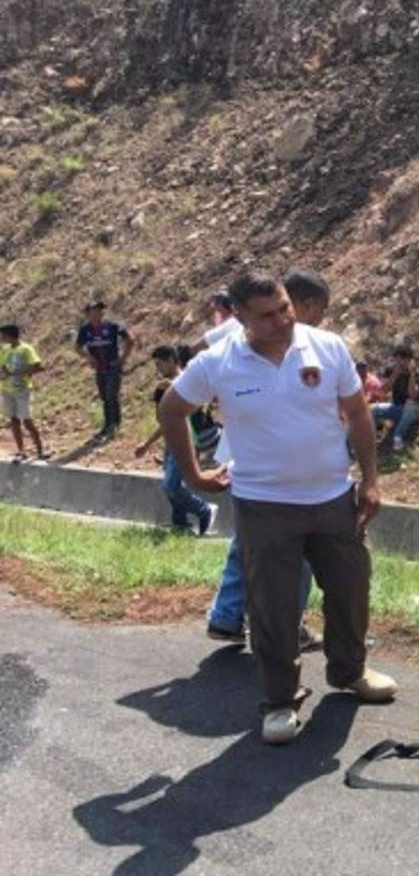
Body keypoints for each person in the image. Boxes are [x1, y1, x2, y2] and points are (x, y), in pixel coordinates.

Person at [159, 271, 396, 745]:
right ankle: (280, 701)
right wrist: (192, 474)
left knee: (350, 589)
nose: (282, 320)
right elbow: (171, 410)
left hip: (332, 498)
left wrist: (370, 481)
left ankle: (350, 672)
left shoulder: (326, 347)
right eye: (267, 315)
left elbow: (357, 412)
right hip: (264, 505)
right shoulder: (219, 362)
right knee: (273, 607)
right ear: (241, 317)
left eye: (285, 307)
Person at [206, 271, 330, 652]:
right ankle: (285, 626)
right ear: (306, 305)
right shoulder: (270, 340)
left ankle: (227, 616)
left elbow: (202, 345)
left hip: (246, 457)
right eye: (321, 311)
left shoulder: (245, 333)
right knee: (302, 546)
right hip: (271, 464)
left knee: (249, 541)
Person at [134, 346, 219, 535]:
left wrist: (172, 389)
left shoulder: (190, 382)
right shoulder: (162, 387)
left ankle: (204, 509)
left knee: (171, 486)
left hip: (189, 441)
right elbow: (164, 420)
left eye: (161, 364)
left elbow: (199, 408)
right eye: (156, 365)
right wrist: (147, 444)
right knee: (172, 486)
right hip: (172, 441)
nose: (159, 369)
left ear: (172, 360)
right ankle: (180, 523)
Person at [75, 300, 134, 440]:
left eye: (99, 311)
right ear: (88, 313)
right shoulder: (85, 330)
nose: (97, 314)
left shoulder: (113, 326)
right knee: (104, 397)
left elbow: (130, 340)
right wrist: (89, 358)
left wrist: (123, 358)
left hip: (113, 366)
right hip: (99, 369)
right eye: (93, 311)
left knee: (111, 395)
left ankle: (113, 425)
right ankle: (109, 425)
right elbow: (77, 347)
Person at [0, 324, 48, 461]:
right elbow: (3, 368)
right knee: (13, 420)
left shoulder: (26, 349)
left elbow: (39, 367)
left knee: (27, 421)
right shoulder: (5, 350)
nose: (1, 338)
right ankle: (21, 451)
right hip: (6, 390)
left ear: (10, 336)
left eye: (3, 335)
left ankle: (40, 450)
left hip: (22, 390)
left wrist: (17, 373)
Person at [370, 344, 419, 452]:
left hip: (414, 410)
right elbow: (384, 390)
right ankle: (371, 436)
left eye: (403, 360)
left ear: (410, 360)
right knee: (373, 410)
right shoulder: (391, 370)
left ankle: (398, 437)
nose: (400, 363)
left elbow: (412, 395)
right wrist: (395, 373)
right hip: (398, 407)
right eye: (397, 360)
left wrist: (412, 375)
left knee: (409, 405)